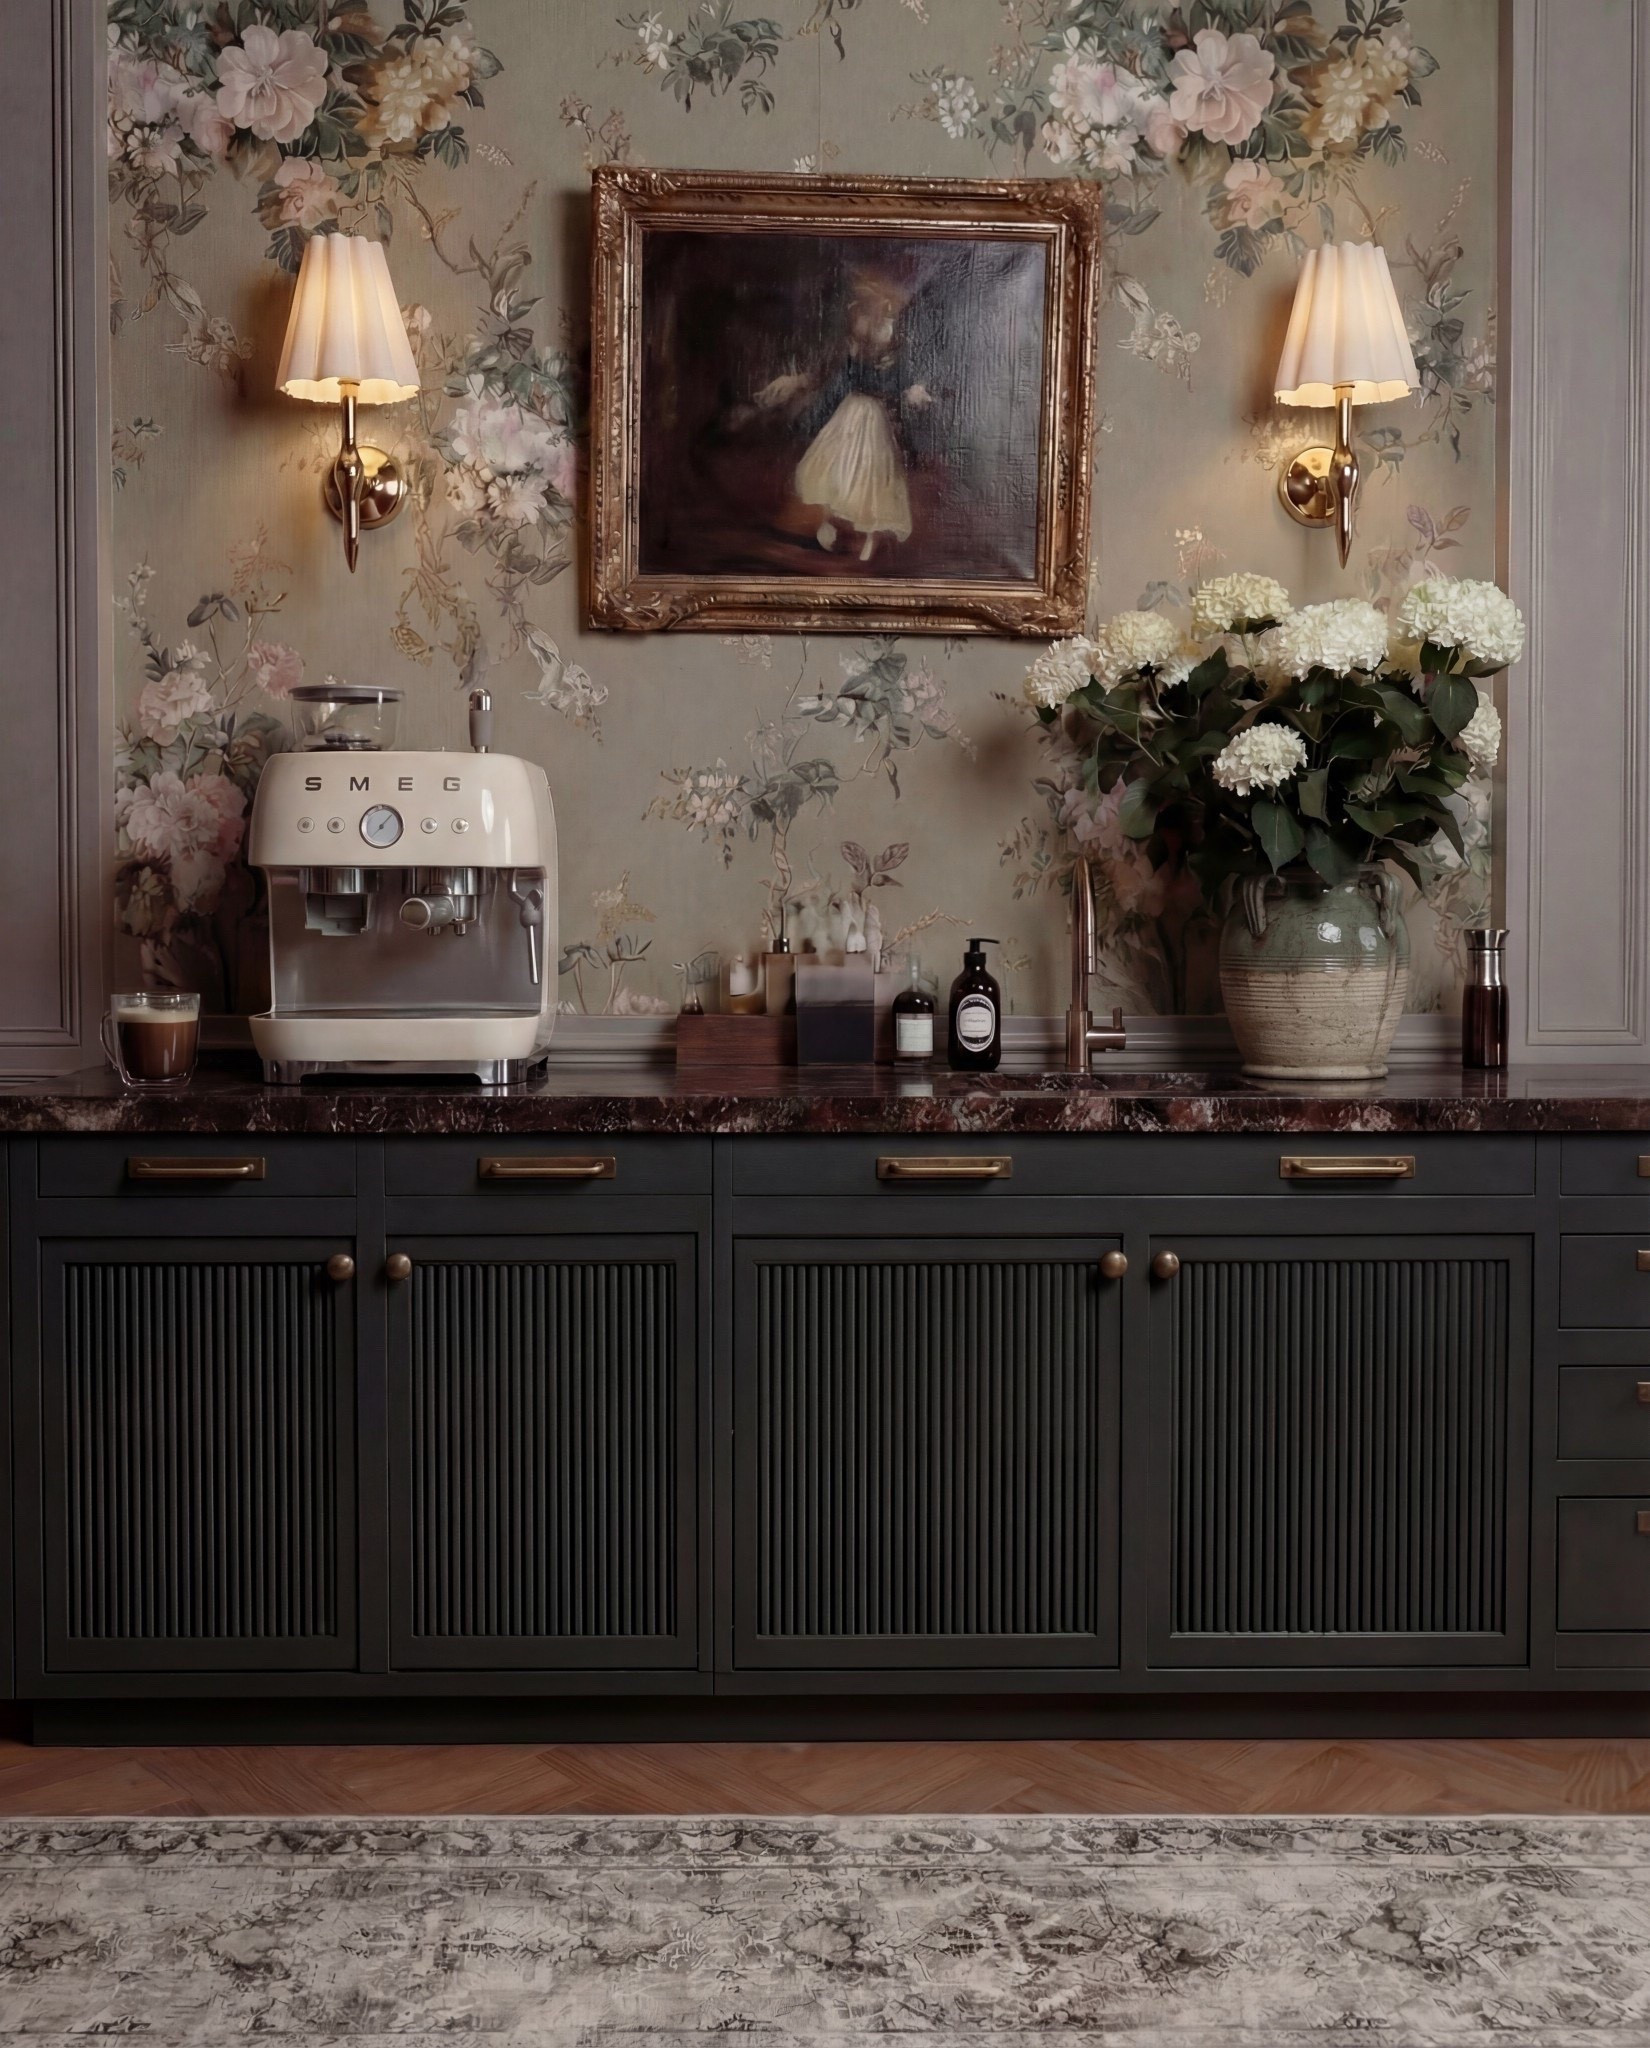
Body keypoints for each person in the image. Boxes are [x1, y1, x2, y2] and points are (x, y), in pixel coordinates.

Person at [752, 270, 932, 565]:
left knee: (869, 478)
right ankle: (829, 521)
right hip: (849, 412)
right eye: (873, 309)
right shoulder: (855, 345)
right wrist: (809, 410)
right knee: (832, 467)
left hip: (874, 418)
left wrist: (914, 390)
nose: (880, 317)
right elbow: (839, 381)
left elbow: (899, 381)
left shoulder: (896, 349)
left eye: (886, 313)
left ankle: (870, 536)